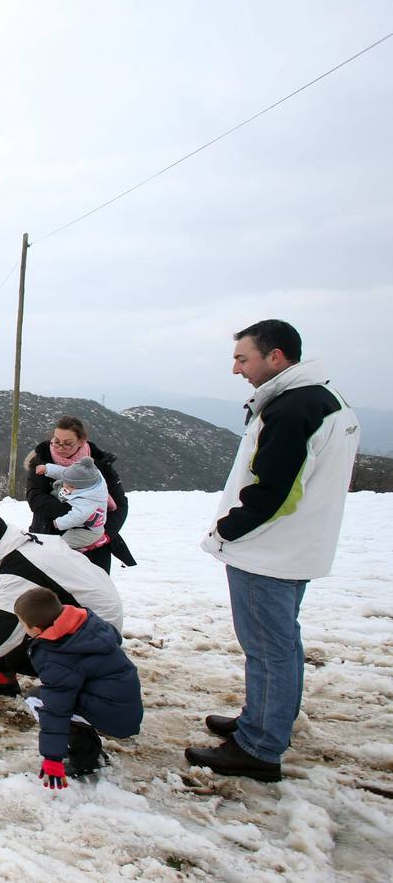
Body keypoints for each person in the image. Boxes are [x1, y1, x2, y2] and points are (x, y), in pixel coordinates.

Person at [187, 320, 360, 782]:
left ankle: (261, 746)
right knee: (279, 645)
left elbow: (276, 492)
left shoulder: (294, 408)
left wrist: (229, 528)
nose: (236, 368)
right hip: (293, 546)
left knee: (269, 648)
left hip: (269, 551)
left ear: (276, 357)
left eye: (243, 358)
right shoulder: (322, 399)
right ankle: (260, 721)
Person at [0, 511, 124, 696]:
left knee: (15, 656)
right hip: (98, 620)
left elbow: (1, 633)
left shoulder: (17, 569)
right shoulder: (30, 541)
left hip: (99, 638)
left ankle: (81, 681)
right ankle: (2, 676)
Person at [14, 587, 143, 789]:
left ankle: (86, 760)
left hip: (114, 715)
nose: (23, 628)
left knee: (37, 699)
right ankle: (90, 747)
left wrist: (52, 757)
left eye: (23, 624)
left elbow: (56, 708)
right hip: (124, 705)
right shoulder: (85, 624)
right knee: (56, 695)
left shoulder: (58, 655)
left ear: (36, 628)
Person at [25, 417, 135, 574]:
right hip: (50, 536)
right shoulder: (42, 461)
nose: (60, 447)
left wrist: (105, 533)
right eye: (56, 441)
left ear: (82, 441)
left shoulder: (99, 465)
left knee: (93, 592)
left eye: (68, 443)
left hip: (94, 544)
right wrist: (81, 513)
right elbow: (35, 499)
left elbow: (120, 504)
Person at [34, 456, 108, 551]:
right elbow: (64, 473)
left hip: (89, 532)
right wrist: (47, 469)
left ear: (82, 488)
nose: (65, 485)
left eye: (70, 486)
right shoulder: (86, 479)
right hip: (85, 523)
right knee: (62, 487)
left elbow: (77, 517)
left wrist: (58, 523)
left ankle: (91, 544)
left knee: (62, 544)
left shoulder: (89, 502)